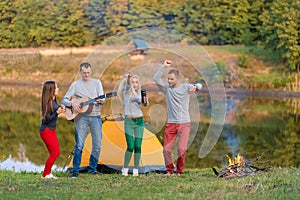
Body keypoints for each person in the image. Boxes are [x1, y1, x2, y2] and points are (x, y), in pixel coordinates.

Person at [153, 60, 202, 175]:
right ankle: (169, 171)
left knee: (181, 149)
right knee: (166, 150)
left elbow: (200, 85)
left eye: (172, 79)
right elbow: (155, 79)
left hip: (184, 124)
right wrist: (163, 67)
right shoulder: (167, 89)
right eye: (168, 79)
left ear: (178, 79)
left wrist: (195, 87)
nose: (169, 81)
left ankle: (179, 171)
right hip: (171, 124)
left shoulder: (185, 87)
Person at [62, 62, 105, 178]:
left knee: (97, 145)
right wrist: (73, 104)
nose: (86, 75)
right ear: (80, 72)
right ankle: (75, 171)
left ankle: (92, 169)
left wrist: (101, 101)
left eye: (88, 73)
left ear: (91, 72)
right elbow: (64, 100)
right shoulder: (75, 85)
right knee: (79, 145)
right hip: (81, 118)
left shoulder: (97, 83)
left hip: (95, 116)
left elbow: (103, 99)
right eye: (84, 73)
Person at [120, 73, 149, 176]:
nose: (135, 84)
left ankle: (136, 169)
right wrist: (128, 78)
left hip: (139, 121)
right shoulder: (127, 92)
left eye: (136, 82)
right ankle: (125, 168)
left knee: (138, 146)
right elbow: (127, 85)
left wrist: (145, 101)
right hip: (129, 121)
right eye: (133, 82)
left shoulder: (140, 94)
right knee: (130, 146)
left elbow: (145, 105)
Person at [39, 81, 66, 179]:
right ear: (51, 90)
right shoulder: (47, 102)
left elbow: (55, 109)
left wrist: (60, 108)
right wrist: (57, 113)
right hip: (46, 130)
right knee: (55, 152)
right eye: (56, 87)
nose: (58, 89)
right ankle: (45, 174)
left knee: (54, 152)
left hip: (51, 130)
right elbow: (46, 119)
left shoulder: (53, 99)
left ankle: (47, 173)